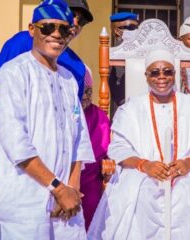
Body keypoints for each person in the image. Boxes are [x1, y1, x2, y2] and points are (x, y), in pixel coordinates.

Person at [88, 49, 190, 240]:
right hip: (143, 171)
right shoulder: (130, 108)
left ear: (175, 74)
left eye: (167, 71)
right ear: (146, 76)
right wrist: (145, 165)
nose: (161, 77)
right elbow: (118, 147)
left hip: (188, 170)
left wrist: (189, 163)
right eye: (155, 72)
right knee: (141, 194)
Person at [0, 0, 95, 239]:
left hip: (65, 207)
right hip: (23, 203)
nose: (56, 35)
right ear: (32, 29)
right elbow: (16, 143)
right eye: (48, 28)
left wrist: (71, 190)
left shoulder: (68, 79)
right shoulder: (12, 74)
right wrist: (57, 188)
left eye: (63, 29)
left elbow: (79, 140)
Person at [0, 0, 94, 100]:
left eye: (82, 21)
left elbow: (73, 113)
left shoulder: (78, 67)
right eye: (71, 13)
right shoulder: (22, 41)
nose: (75, 23)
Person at [80, 66, 111, 230]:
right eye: (82, 91)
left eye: (89, 92)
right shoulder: (61, 112)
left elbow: (104, 151)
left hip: (91, 177)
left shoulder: (98, 115)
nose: (85, 96)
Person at [108, 12, 139, 119]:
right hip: (125, 112)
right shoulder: (116, 54)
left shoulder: (139, 49)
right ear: (117, 31)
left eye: (136, 27)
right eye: (131, 28)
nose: (136, 31)